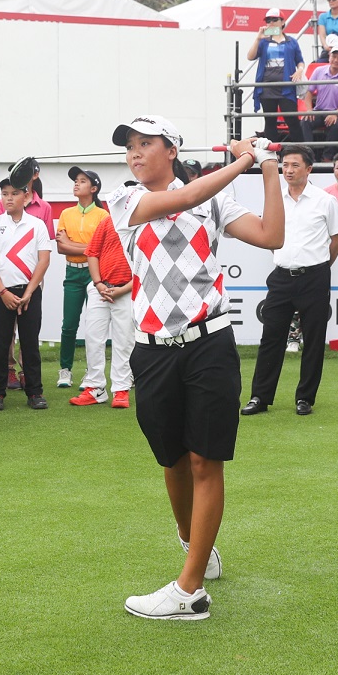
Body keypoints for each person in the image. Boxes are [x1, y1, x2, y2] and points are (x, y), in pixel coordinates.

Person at [108, 115, 283, 622]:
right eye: (130, 146)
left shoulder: (216, 200)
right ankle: (194, 547)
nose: (134, 153)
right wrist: (244, 158)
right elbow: (184, 198)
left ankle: (189, 590)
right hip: (152, 350)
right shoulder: (124, 199)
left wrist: (267, 166)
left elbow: (271, 235)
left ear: (171, 150)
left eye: (145, 143)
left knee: (206, 461)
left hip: (209, 344)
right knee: (173, 461)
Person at [242, 144, 338, 418]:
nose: (288, 170)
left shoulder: (325, 201)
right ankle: (260, 397)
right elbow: (269, 236)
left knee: (313, 340)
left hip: (315, 278)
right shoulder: (275, 199)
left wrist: (320, 267)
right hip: (281, 278)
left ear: (309, 169)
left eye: (294, 165)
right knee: (270, 339)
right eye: (284, 165)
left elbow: (337, 240)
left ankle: (305, 398)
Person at [0, 175, 53, 411]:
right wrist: (2, 292)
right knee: (0, 344)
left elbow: (44, 260)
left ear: (26, 196)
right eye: (5, 194)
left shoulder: (37, 225)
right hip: (2, 293)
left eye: (14, 193)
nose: (9, 198)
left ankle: (35, 392)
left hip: (30, 292)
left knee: (30, 344)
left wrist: (29, 291)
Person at [71, 211, 134, 409]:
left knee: (124, 340)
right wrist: (98, 284)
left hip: (127, 291)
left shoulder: (143, 223)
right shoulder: (108, 222)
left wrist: (123, 289)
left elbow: (145, 265)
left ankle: (121, 389)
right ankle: (95, 387)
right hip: (100, 288)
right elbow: (92, 253)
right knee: (93, 338)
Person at [54, 167, 109, 389]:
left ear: (94, 188)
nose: (76, 184)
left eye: (82, 181)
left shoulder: (103, 216)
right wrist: (87, 247)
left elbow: (101, 249)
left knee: (94, 327)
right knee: (69, 325)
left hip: (95, 274)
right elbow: (61, 248)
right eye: (76, 180)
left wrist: (72, 244)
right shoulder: (66, 214)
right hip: (73, 273)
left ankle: (91, 372)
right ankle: (65, 370)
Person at [245, 8, 307, 144]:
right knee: (270, 121)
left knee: (292, 120)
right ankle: (271, 152)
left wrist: (300, 70)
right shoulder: (264, 41)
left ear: (282, 22)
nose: (271, 23)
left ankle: (302, 150)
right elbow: (250, 56)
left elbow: (300, 60)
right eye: (268, 20)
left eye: (274, 20)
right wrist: (258, 38)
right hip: (267, 86)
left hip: (286, 87)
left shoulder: (291, 41)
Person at [305, 42, 338, 149]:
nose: (336, 60)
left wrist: (335, 114)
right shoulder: (318, 71)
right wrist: (309, 110)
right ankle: (308, 153)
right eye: (334, 56)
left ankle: (327, 156)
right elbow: (308, 91)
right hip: (318, 110)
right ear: (329, 57)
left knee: (335, 125)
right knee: (305, 122)